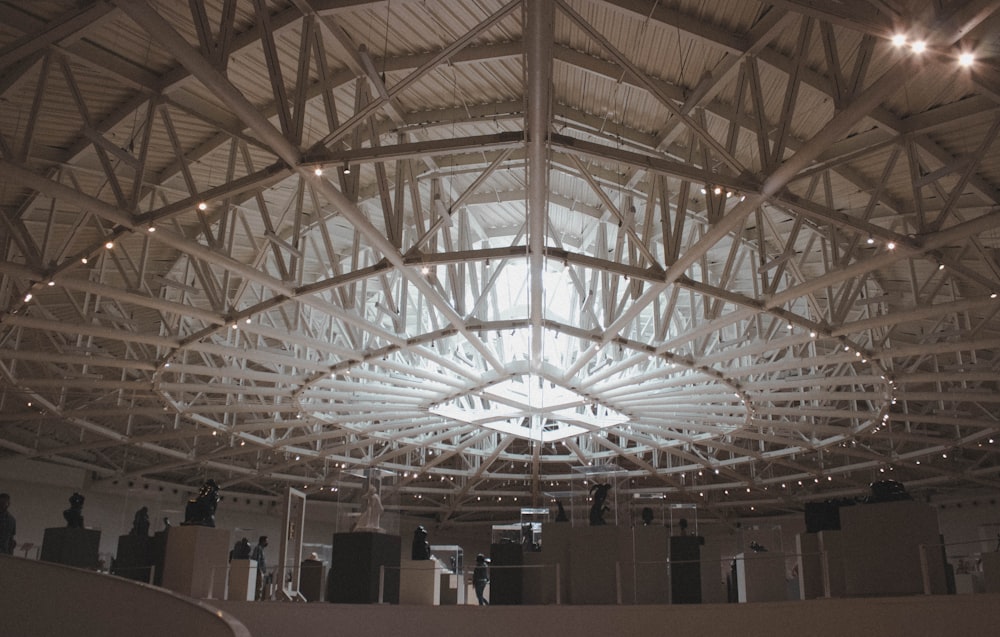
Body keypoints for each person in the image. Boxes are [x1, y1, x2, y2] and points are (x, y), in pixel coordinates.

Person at [251, 535, 271, 600]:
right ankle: (257, 599)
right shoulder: (258, 549)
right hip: (259, 570)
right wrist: (259, 569)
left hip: (261, 570)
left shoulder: (261, 549)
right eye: (266, 541)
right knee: (259, 585)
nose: (267, 543)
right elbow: (257, 559)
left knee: (260, 585)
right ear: (262, 541)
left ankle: (257, 598)